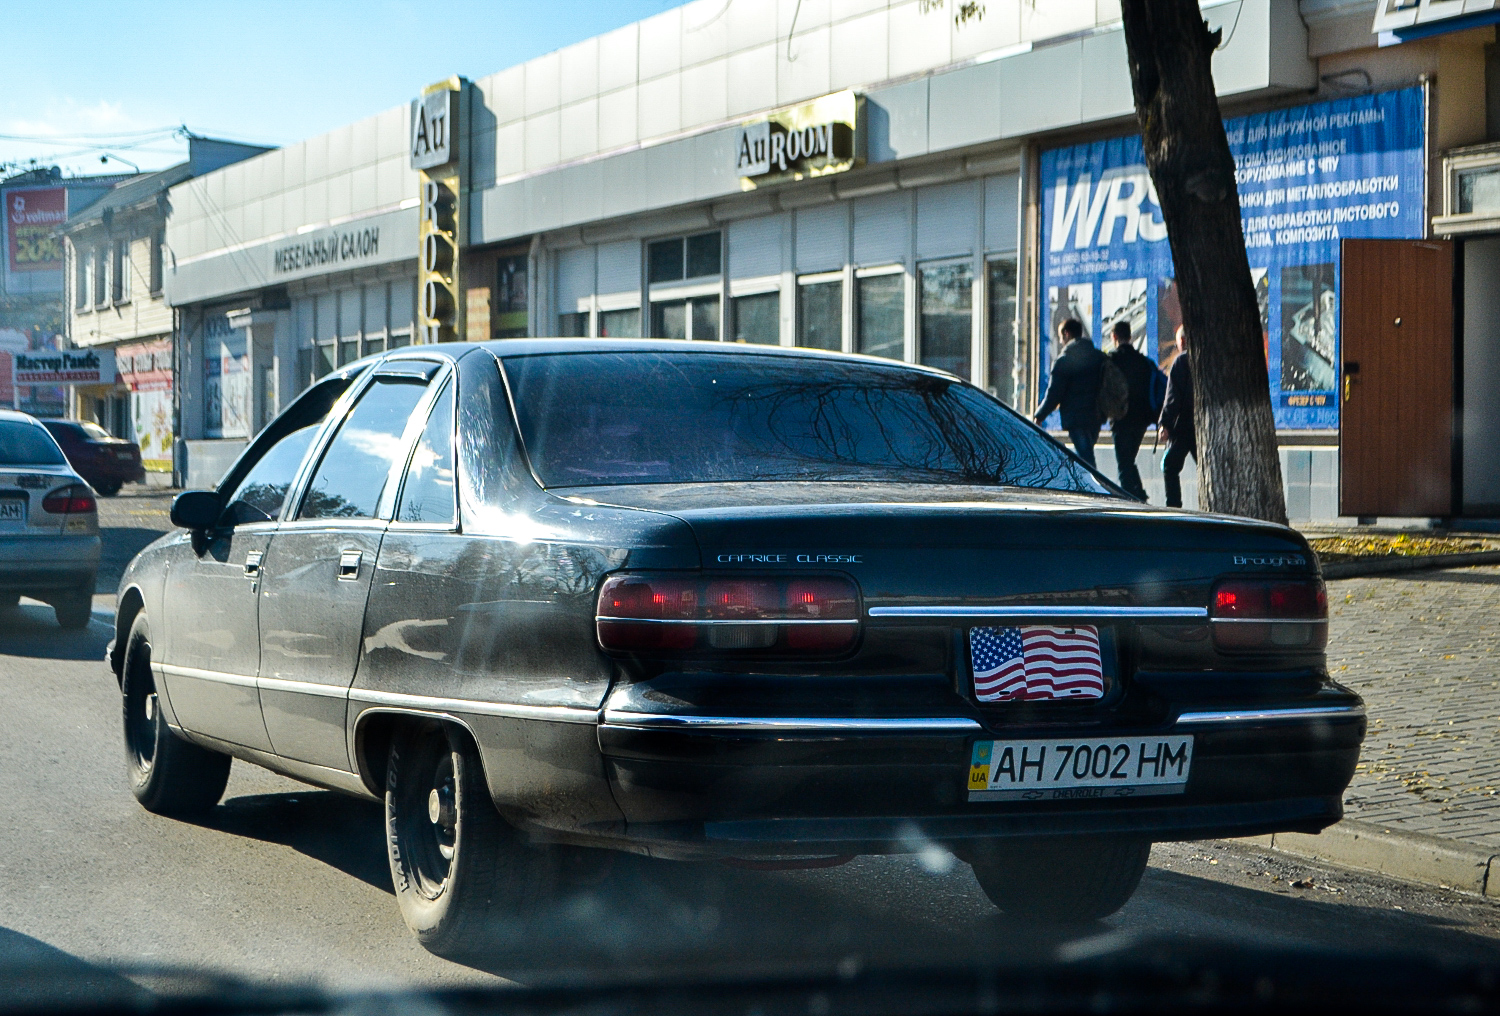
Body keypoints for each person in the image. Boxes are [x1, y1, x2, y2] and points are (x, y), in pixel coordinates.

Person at [1033, 318, 1104, 468]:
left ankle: (1095, 489)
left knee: (1086, 459)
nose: (1060, 341)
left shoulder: (1064, 360)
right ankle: (1092, 487)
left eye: (1060, 336)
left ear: (1066, 334)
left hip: (1076, 417)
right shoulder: (1099, 357)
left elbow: (1054, 394)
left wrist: (1039, 415)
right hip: (1096, 415)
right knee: (1086, 454)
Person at [1105, 320, 1160, 501]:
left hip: (1121, 418)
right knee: (1129, 459)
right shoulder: (1143, 362)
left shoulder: (1111, 360)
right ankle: (1139, 494)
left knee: (1124, 463)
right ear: (1130, 336)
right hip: (1142, 419)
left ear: (1114, 337)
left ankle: (1131, 499)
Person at [1158, 325, 1196, 508]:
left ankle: (1174, 506)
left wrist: (1165, 424)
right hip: (1203, 426)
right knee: (1208, 467)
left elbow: (1173, 397)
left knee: (1169, 467)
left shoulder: (1181, 362)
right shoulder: (1206, 360)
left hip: (1183, 427)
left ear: (1182, 341)